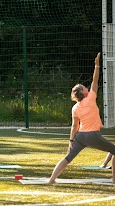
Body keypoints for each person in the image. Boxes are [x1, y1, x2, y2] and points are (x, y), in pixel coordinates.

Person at [48, 52, 115, 183]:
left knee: (67, 158)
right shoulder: (90, 98)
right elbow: (95, 80)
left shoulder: (75, 107)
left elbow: (74, 127)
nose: (87, 88)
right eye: (85, 88)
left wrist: (71, 141)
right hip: (92, 135)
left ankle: (51, 179)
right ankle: (114, 179)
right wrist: (96, 66)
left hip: (80, 137)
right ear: (83, 92)